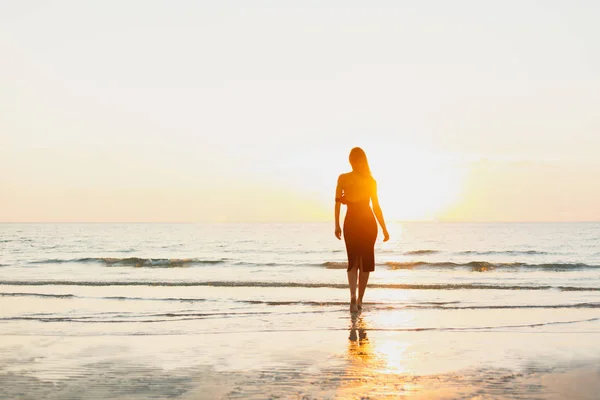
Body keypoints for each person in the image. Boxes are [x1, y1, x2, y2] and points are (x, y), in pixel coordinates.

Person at [335, 147, 389, 313]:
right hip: (368, 221)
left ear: (351, 161)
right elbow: (376, 207)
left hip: (351, 221)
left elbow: (337, 202)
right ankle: (360, 300)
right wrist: (384, 228)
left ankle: (352, 296)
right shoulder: (371, 181)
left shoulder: (343, 178)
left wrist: (336, 224)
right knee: (365, 263)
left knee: (353, 260)